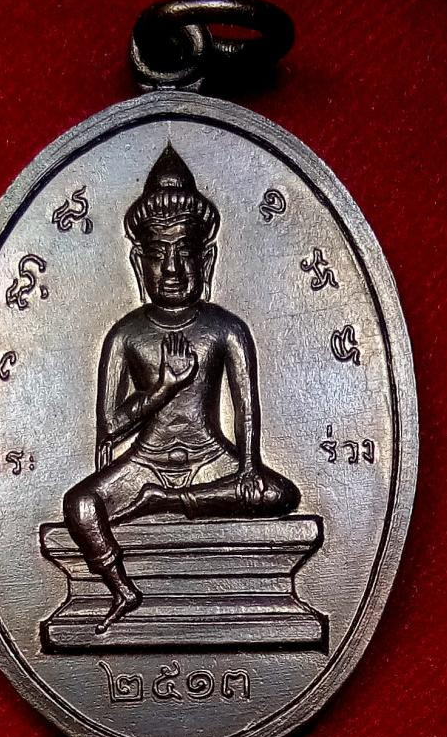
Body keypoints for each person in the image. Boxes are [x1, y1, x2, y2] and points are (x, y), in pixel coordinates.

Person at [63, 144, 300, 633]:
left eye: (184, 253)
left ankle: (169, 502)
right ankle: (121, 588)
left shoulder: (226, 329)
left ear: (205, 259)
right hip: (145, 463)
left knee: (280, 493)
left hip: (210, 459)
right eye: (158, 254)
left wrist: (248, 467)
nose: (171, 269)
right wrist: (165, 387)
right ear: (139, 262)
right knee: (80, 506)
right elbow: (110, 424)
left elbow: (246, 408)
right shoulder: (127, 335)